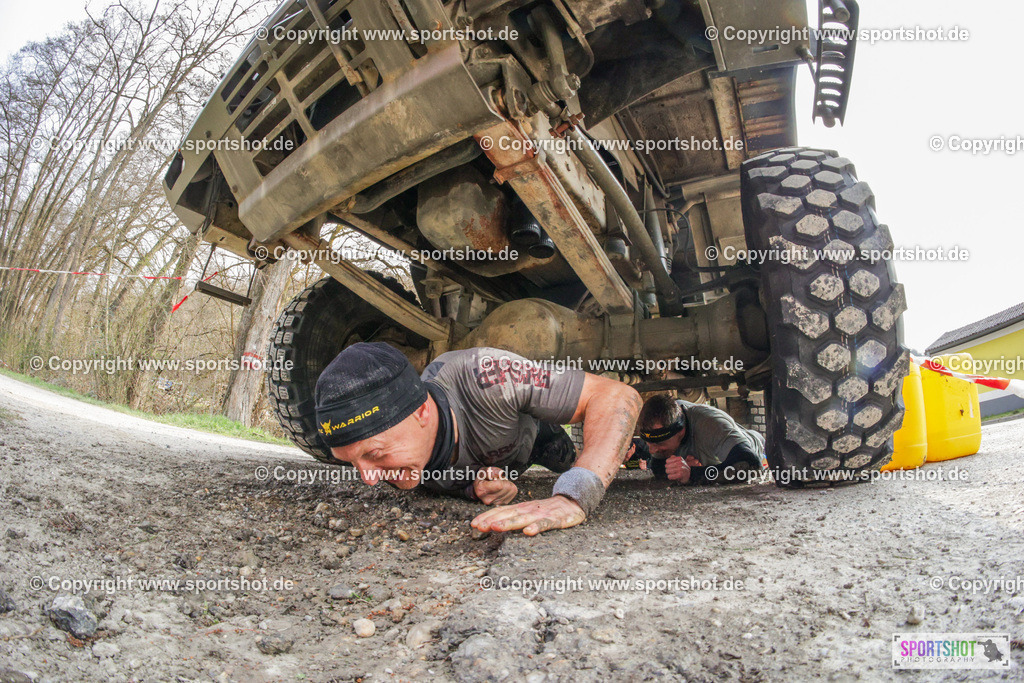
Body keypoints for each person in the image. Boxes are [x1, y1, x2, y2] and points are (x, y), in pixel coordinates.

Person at [314, 343, 641, 536]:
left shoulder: (490, 376)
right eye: (352, 463)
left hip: (532, 437)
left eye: (374, 454)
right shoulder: (392, 461)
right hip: (502, 464)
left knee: (569, 460)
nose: (368, 479)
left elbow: (615, 395)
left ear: (422, 414)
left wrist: (575, 494)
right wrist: (479, 488)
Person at [637, 394, 766, 484]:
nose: (652, 450)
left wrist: (692, 474)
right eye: (648, 443)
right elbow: (657, 467)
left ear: (680, 431)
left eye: (659, 443)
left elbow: (749, 465)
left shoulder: (710, 425)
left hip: (758, 445)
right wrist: (679, 470)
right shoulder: (664, 425)